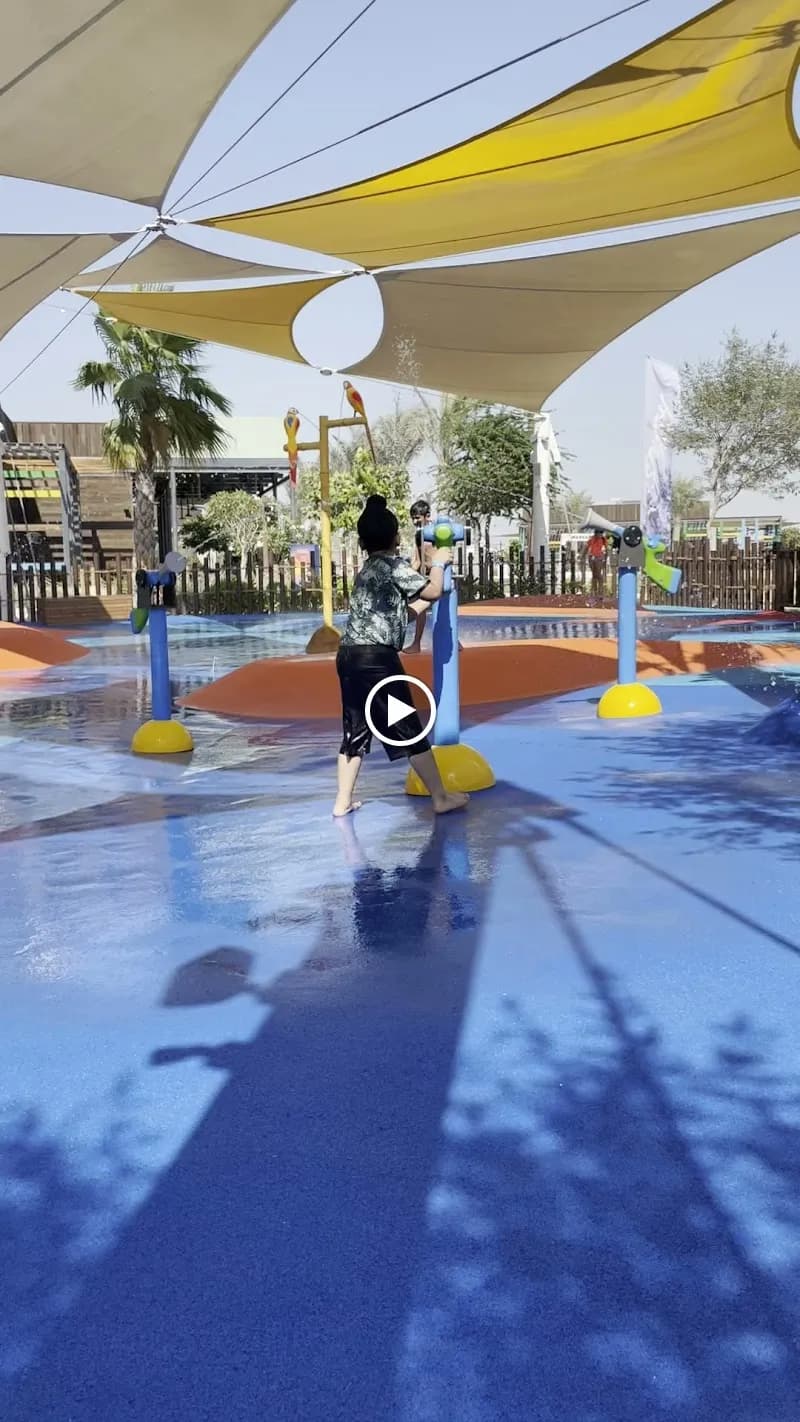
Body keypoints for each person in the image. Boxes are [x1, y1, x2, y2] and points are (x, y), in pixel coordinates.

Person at [334, 494, 469, 818]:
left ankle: (342, 801)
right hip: (377, 662)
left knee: (356, 729)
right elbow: (433, 589)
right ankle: (440, 797)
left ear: (363, 541)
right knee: (408, 726)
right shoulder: (395, 567)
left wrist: (430, 601)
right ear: (396, 538)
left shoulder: (366, 572)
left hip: (350, 658)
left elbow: (398, 615)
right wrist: (439, 562)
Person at [407, 498, 432, 653]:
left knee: (442, 612)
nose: (415, 521)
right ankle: (416, 643)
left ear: (427, 516)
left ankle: (454, 642)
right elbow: (416, 560)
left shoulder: (436, 532)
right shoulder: (418, 536)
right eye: (413, 518)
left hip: (437, 577)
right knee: (420, 611)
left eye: (417, 517)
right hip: (424, 579)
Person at [587, 528, 608, 597]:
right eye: (598, 533)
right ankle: (594, 592)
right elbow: (587, 546)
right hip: (592, 558)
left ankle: (600, 592)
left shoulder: (603, 539)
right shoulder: (592, 539)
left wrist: (605, 559)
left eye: (601, 533)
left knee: (598, 575)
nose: (600, 534)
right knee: (594, 575)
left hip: (599, 558)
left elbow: (607, 549)